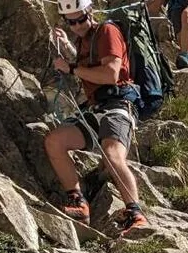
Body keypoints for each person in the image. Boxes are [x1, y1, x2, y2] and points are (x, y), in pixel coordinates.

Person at [44, 0, 149, 234]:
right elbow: (88, 64)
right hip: (96, 108)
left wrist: (70, 69)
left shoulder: (107, 31)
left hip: (118, 106)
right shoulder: (84, 40)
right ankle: (78, 201)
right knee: (55, 141)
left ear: (90, 12)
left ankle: (135, 212)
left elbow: (111, 74)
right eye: (72, 22)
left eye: (81, 19)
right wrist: (68, 49)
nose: (78, 25)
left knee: (112, 155)